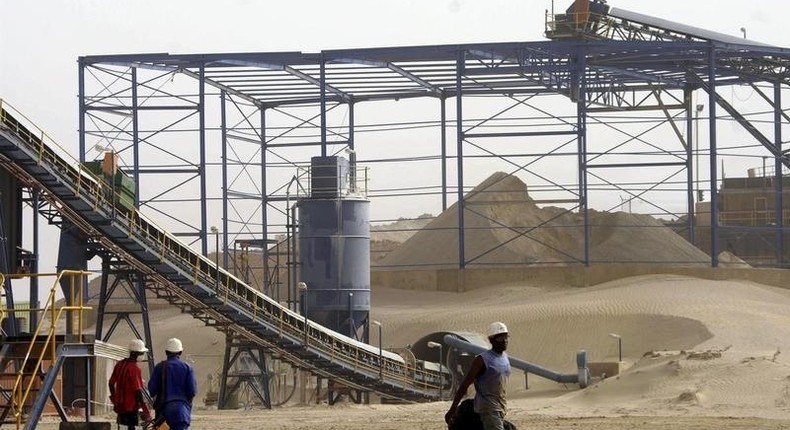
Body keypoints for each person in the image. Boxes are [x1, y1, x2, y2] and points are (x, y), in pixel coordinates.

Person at [445, 322, 512, 430]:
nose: (504, 340)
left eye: (506, 336)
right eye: (500, 338)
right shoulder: (482, 360)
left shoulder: (505, 358)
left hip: (500, 408)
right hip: (488, 409)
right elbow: (465, 385)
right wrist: (452, 409)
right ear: (491, 340)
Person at [148, 337, 197, 430]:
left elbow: (152, 391)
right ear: (180, 352)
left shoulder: (159, 367)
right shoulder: (188, 368)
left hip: (163, 414)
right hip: (182, 412)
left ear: (166, 352)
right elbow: (192, 391)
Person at [109, 338, 152, 430]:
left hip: (120, 407)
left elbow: (111, 383)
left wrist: (114, 399)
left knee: (122, 427)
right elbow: (138, 391)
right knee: (131, 428)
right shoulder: (134, 369)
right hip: (131, 408)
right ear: (137, 354)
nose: (143, 356)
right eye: (142, 353)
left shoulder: (119, 364)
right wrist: (146, 411)